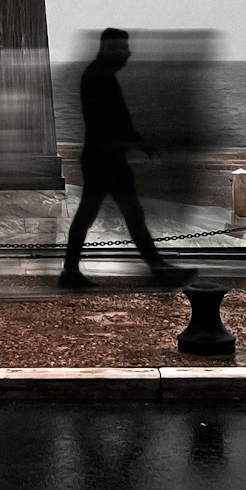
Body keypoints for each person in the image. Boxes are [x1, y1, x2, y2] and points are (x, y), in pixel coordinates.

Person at [58, 28, 198, 292]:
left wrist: (138, 142)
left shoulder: (100, 74)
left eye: (126, 48)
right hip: (106, 159)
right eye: (121, 48)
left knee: (106, 214)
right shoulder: (99, 77)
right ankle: (156, 269)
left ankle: (72, 270)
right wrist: (136, 142)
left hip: (103, 156)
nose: (127, 53)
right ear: (106, 49)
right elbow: (109, 121)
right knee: (122, 214)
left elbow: (117, 119)